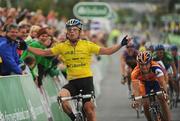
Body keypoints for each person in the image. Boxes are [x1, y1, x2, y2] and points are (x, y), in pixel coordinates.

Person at [19, 18, 130, 121]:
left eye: (75, 29)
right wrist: (27, 47)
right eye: (69, 30)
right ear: (67, 32)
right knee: (61, 98)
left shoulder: (87, 45)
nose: (72, 32)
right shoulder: (62, 46)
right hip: (72, 82)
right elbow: (44, 53)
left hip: (86, 81)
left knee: (88, 109)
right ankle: (74, 118)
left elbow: (107, 51)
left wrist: (121, 44)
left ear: (79, 31)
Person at [131, 51, 171, 121]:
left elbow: (162, 82)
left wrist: (165, 93)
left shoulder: (156, 67)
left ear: (150, 63)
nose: (144, 67)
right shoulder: (134, 73)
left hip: (156, 81)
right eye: (141, 65)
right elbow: (136, 90)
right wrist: (136, 101)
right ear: (138, 64)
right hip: (144, 84)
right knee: (145, 104)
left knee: (162, 99)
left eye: (146, 64)